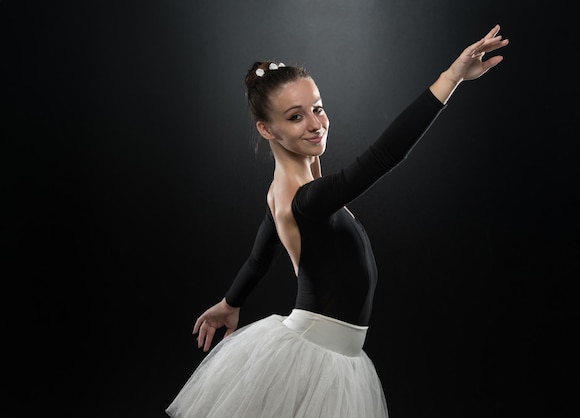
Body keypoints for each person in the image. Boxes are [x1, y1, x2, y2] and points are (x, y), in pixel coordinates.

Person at [166, 24, 509, 418]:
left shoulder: (281, 192)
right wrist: (452, 78)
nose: (315, 124)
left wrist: (230, 303)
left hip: (329, 351)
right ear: (267, 130)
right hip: (320, 355)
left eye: (318, 107)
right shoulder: (308, 200)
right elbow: (384, 156)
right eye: (295, 117)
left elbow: (258, 258)